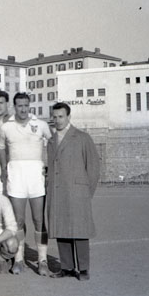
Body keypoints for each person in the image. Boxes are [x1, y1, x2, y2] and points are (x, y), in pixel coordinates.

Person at [0, 92, 52, 276]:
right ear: (14, 107)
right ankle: (19, 259)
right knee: (18, 220)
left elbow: (53, 144)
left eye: (26, 105)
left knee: (38, 220)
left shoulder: (41, 125)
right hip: (16, 176)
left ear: (30, 106)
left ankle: (42, 261)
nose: (23, 109)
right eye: (19, 105)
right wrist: (3, 168)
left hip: (36, 176)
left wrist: (49, 166)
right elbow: (0, 148)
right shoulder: (6, 127)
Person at [47, 103, 100, 281]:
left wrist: (86, 192)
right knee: (61, 228)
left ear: (69, 117)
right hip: (58, 192)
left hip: (77, 193)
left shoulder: (82, 137)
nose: (57, 120)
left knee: (80, 230)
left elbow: (93, 167)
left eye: (61, 116)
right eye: (55, 117)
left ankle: (83, 269)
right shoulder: (51, 140)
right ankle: (67, 267)